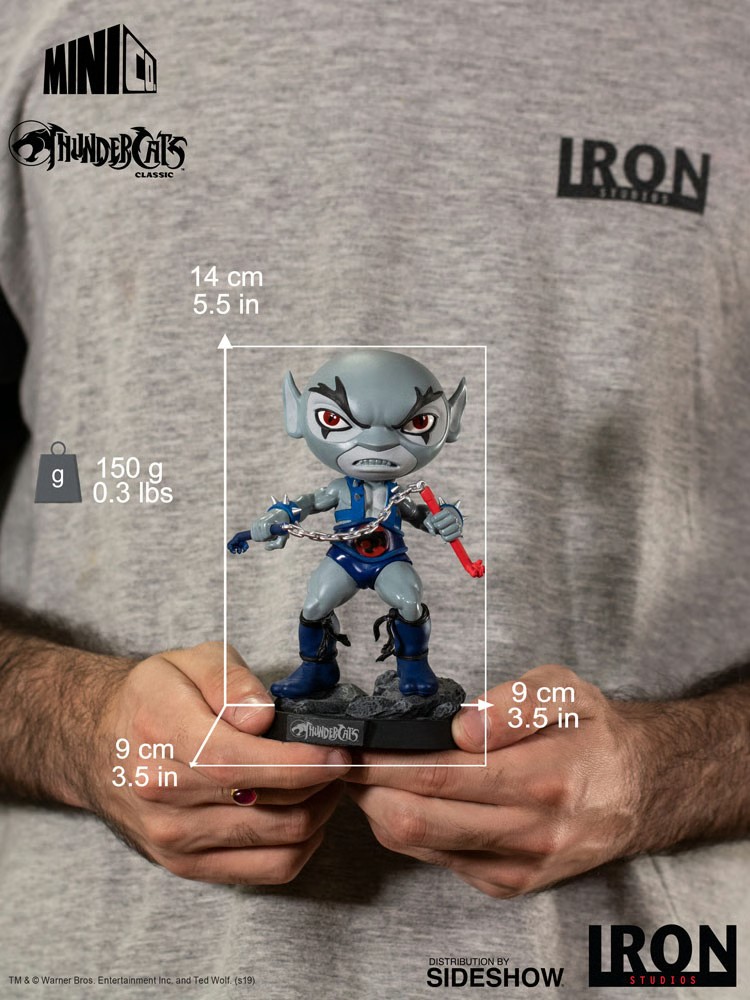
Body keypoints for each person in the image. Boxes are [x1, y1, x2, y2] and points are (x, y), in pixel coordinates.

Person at [1, 3, 748, 998]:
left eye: (405, 426)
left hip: (654, 965)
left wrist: (674, 771)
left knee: (408, 605)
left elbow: (424, 512)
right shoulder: (38, 25)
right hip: (93, 965)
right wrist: (71, 726)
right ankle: (320, 674)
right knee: (318, 612)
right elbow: (311, 505)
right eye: (347, 422)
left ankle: (409, 679)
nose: (377, 443)